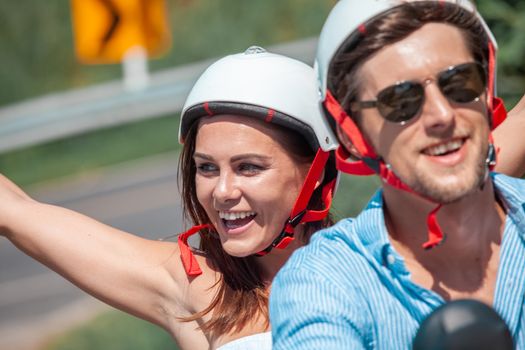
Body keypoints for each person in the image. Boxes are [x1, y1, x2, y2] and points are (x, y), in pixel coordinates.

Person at [0, 47, 339, 349]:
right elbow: (14, 212)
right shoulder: (194, 287)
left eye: (248, 167)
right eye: (206, 167)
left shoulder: (371, 261)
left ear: (317, 171)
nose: (222, 191)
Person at [270, 1, 525, 349]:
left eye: (460, 82)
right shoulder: (323, 284)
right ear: (350, 133)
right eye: (401, 101)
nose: (441, 115)